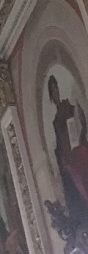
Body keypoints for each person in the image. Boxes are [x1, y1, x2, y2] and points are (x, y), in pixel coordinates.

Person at [48, 73, 88, 223]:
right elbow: (59, 142)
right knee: (70, 175)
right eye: (53, 91)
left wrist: (81, 135)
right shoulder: (55, 120)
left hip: (76, 148)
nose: (56, 92)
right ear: (51, 96)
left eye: (56, 88)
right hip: (67, 155)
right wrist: (62, 160)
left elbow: (78, 123)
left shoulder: (68, 106)